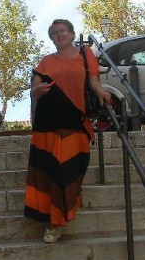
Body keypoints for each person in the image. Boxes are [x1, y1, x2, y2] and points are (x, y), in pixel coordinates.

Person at [24, 19, 112, 243]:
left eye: (63, 31)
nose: (59, 34)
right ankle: (54, 224)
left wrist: (102, 93)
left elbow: (94, 83)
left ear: (72, 33)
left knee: (69, 170)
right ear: (52, 38)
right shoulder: (45, 62)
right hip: (48, 124)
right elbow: (34, 91)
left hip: (75, 121)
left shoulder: (85, 54)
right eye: (54, 33)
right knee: (50, 174)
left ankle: (68, 204)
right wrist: (39, 90)